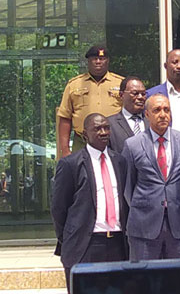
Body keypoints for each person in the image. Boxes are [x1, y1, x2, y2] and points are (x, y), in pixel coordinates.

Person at [51, 113, 128, 288]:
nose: (103, 132)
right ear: (85, 134)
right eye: (97, 129)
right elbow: (58, 208)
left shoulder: (120, 161)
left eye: (106, 128)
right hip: (86, 244)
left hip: (117, 243)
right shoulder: (70, 164)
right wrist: (69, 237)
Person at [122, 93, 180, 261]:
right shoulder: (132, 145)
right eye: (157, 110)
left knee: (177, 281)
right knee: (144, 281)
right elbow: (127, 187)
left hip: (178, 224)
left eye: (166, 110)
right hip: (143, 225)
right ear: (146, 114)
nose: (163, 114)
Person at [57, 46, 123, 158]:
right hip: (83, 141)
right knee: (81, 173)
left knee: (114, 172)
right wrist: (65, 150)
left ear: (108, 61)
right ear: (88, 61)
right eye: (94, 59)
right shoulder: (74, 84)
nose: (98, 62)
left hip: (113, 141)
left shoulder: (120, 83)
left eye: (102, 59)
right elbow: (65, 118)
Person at [108, 76, 148, 153]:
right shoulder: (110, 125)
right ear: (121, 95)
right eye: (135, 93)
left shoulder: (152, 121)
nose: (140, 97)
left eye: (143, 94)